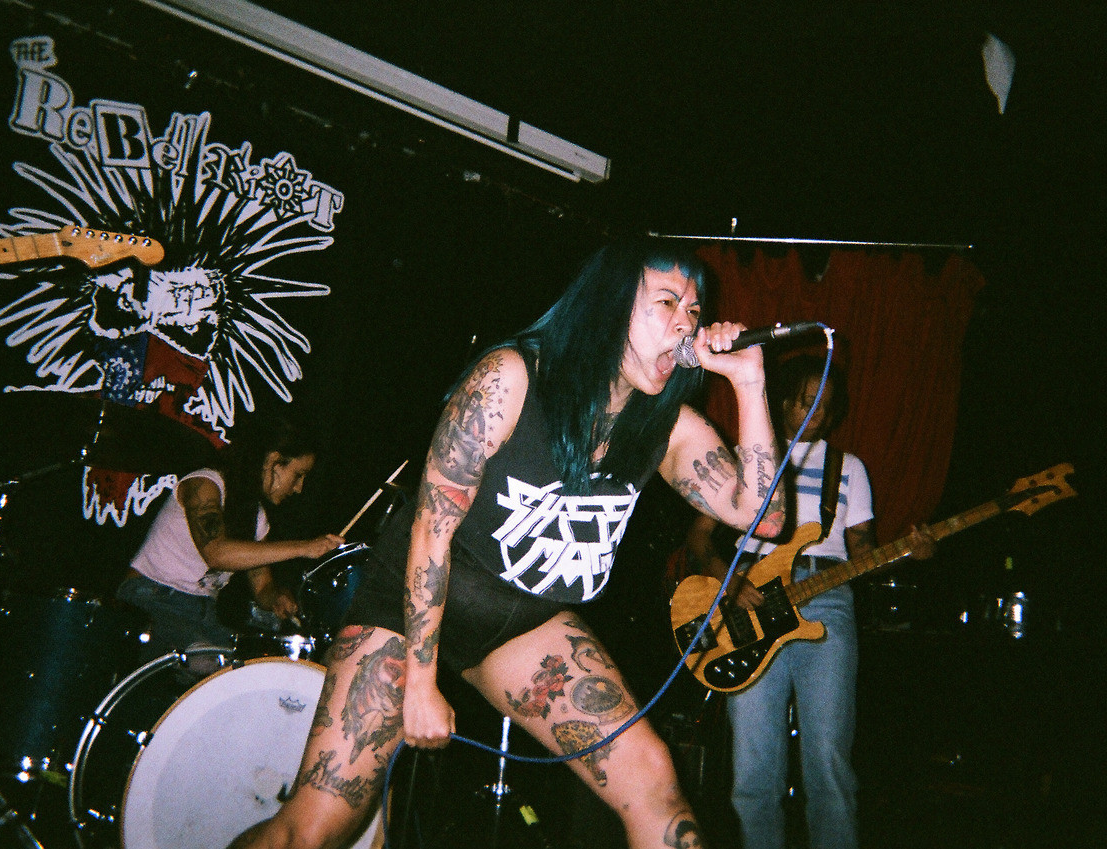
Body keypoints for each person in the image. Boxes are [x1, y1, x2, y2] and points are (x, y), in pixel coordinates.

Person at [229, 240, 787, 849]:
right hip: (416, 602)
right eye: (667, 302)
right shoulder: (512, 378)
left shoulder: (666, 426)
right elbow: (431, 529)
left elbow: (762, 518)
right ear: (608, 307)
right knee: (312, 831)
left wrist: (750, 383)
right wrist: (420, 681)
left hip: (525, 623)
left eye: (695, 311)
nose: (686, 324)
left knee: (653, 780)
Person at [681, 354, 933, 849]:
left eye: (825, 404)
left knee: (829, 762)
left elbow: (864, 554)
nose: (815, 412)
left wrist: (907, 552)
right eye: (805, 400)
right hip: (751, 603)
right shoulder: (746, 459)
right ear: (782, 402)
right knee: (753, 770)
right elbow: (698, 537)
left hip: (826, 598)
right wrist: (728, 583)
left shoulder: (849, 469)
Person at [116, 415, 344, 663]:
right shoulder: (205, 484)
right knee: (207, 664)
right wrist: (304, 547)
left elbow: (262, 587)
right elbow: (217, 553)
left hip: (202, 610)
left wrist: (276, 597)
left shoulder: (257, 517)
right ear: (273, 461)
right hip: (153, 596)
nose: (299, 488)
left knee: (248, 669)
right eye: (298, 475)